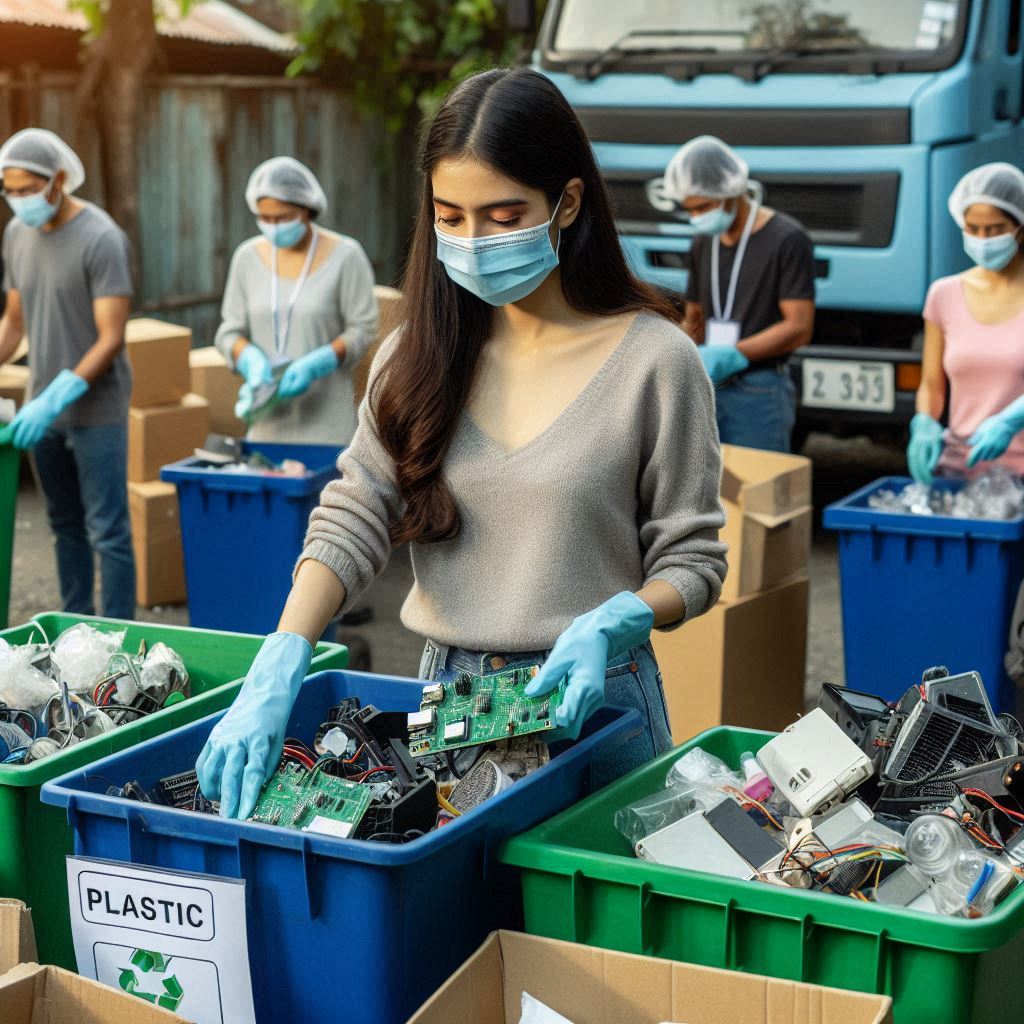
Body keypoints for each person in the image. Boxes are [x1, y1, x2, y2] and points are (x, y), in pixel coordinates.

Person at [196, 67, 728, 820]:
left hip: (597, 704)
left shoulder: (655, 361)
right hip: (451, 705)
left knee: (591, 929)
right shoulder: (414, 357)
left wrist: (620, 618)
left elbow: (694, 559)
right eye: (451, 216)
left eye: (503, 216)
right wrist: (283, 653)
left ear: (567, 203)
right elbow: (357, 511)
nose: (474, 241)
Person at [0, 128, 135, 619]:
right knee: (64, 525)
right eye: (9, 190)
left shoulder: (101, 238)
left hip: (96, 409)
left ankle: (121, 641)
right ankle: (74, 628)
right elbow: (13, 321)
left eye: (27, 189)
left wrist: (59, 394)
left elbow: (110, 335)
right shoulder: (16, 235)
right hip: (42, 411)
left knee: (108, 531)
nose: (19, 200)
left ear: (57, 180)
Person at [665, 136, 815, 452]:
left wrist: (736, 353)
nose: (697, 218)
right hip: (709, 385)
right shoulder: (704, 241)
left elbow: (799, 327)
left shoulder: (787, 239)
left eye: (703, 207)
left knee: (757, 495)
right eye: (690, 210)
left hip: (759, 389)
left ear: (732, 192)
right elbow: (694, 316)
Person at [215, 157, 378, 446]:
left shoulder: (346, 256)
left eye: (283, 217)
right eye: (265, 218)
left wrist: (320, 362)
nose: (274, 226)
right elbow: (229, 332)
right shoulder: (246, 258)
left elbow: (364, 330)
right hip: (267, 426)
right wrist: (249, 360)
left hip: (330, 431)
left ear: (305, 208)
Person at [908, 163, 1024, 483]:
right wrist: (925, 421)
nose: (983, 239)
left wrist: (1011, 420)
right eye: (973, 228)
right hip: (961, 468)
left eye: (996, 229)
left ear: (1020, 227)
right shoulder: (944, 295)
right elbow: (932, 383)